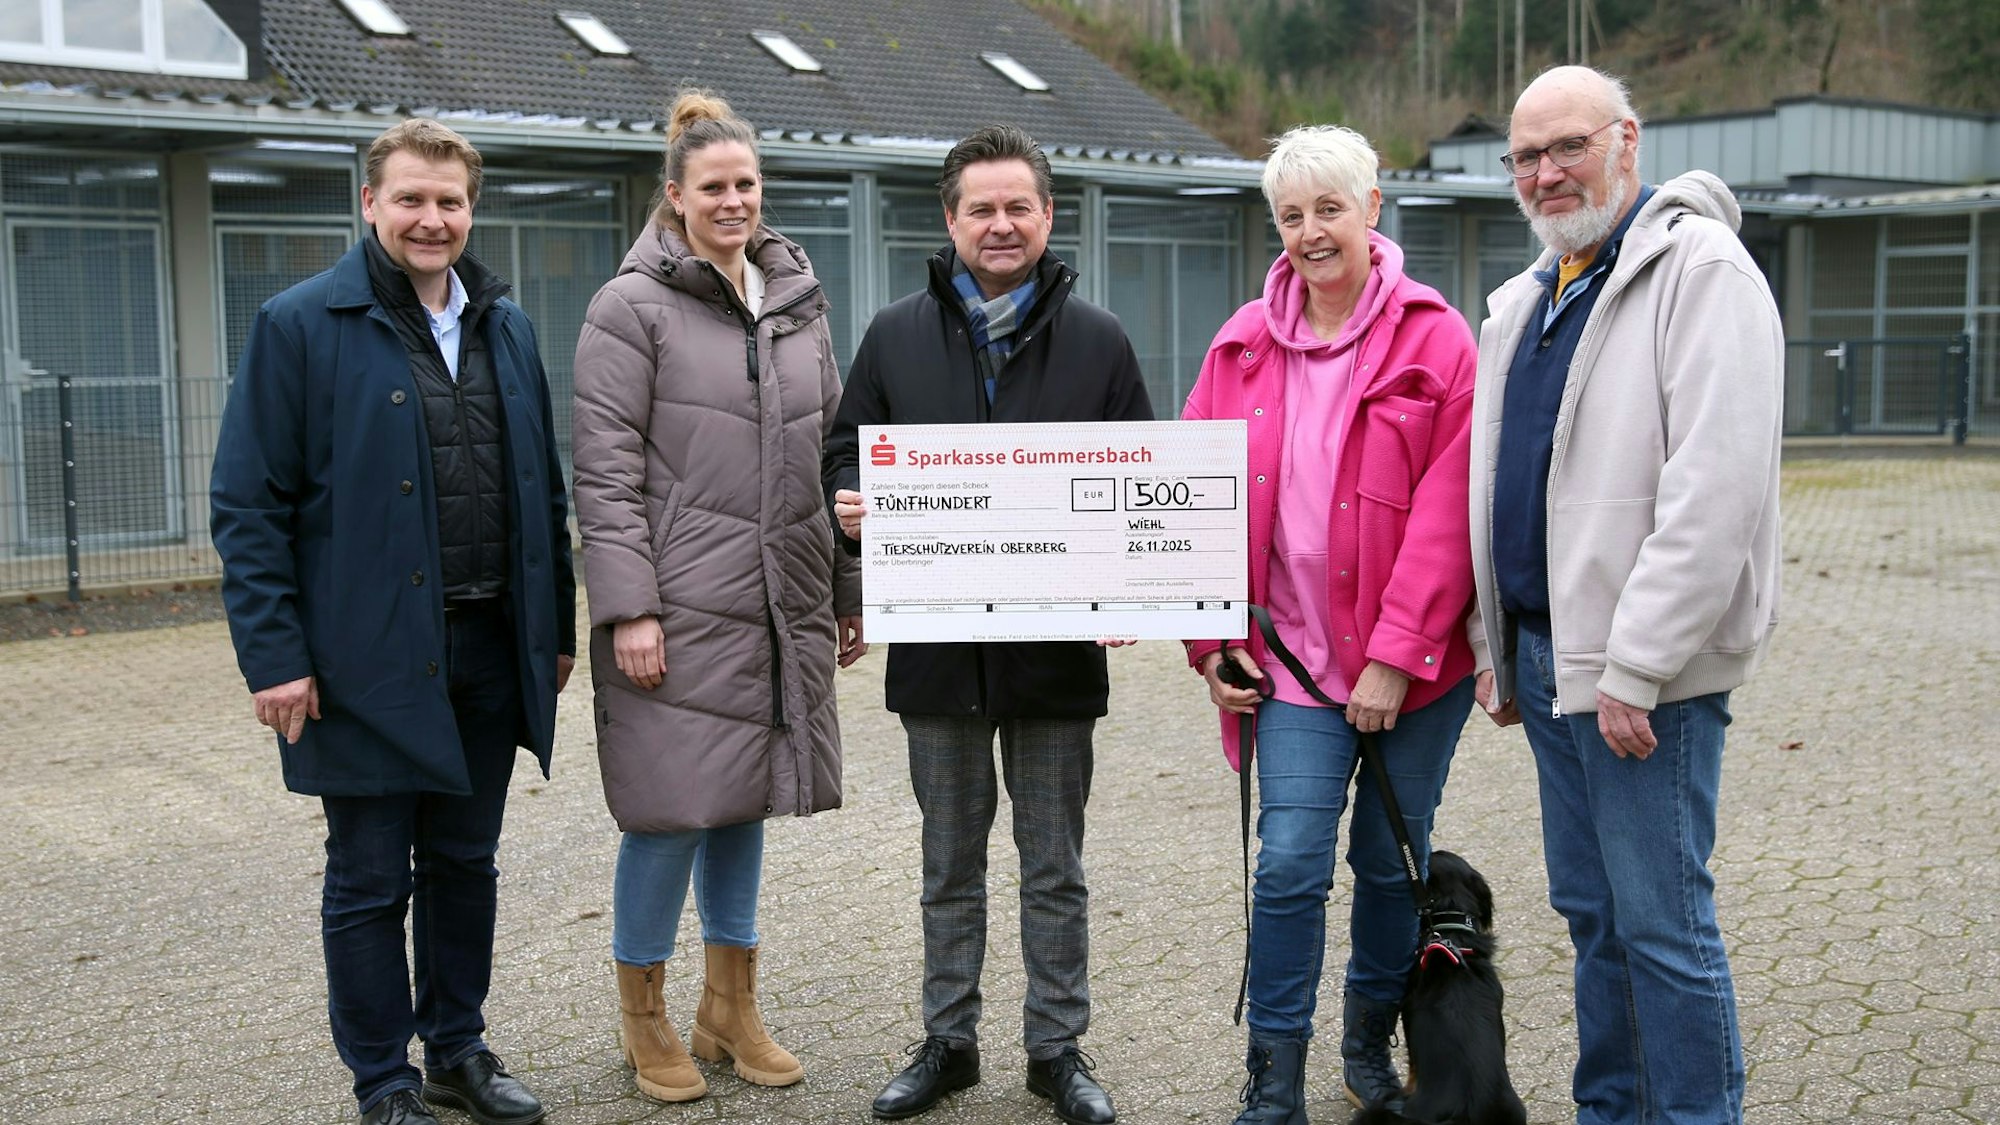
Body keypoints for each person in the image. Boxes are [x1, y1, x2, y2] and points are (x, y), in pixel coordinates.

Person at [210, 118, 575, 1125]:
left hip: (489, 648)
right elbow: (250, 503)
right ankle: (384, 1080)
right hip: (358, 660)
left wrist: (553, 632)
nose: (431, 218)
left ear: (471, 209)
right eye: (411, 198)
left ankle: (457, 1046)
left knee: (465, 862)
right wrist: (274, 656)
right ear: (369, 203)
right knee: (370, 879)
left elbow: (541, 489)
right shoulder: (299, 324)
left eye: (449, 201)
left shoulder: (508, 325)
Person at [1469, 66, 1783, 1125]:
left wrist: (1637, 666)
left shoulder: (1700, 271)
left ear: (1626, 142)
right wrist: (1496, 647)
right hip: (1550, 662)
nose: (1546, 173)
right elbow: (1502, 479)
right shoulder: (1528, 299)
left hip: (1639, 678)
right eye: (1524, 156)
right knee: (1594, 919)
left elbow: (1714, 485)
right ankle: (1611, 1112)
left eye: (1567, 146)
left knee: (1661, 927)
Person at [822, 123, 1150, 1125]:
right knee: (947, 868)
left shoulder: (1098, 341)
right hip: (937, 653)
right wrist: (849, 507)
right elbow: (843, 451)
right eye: (981, 208)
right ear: (950, 219)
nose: (999, 224)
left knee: (1054, 867)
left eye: (1018, 207)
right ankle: (948, 1042)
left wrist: (1134, 582)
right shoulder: (892, 336)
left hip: (1054, 659)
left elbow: (1140, 483)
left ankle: (1058, 1051)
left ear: (1047, 217)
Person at [569, 89, 864, 1107]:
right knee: (667, 813)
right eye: (713, 187)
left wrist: (841, 587)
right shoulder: (629, 307)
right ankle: (643, 1020)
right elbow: (603, 474)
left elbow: (833, 454)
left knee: (746, 800)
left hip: (778, 599)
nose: (732, 201)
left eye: (745, 185)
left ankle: (727, 1009)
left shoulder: (794, 298)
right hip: (679, 604)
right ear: (674, 196)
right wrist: (628, 609)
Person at [1181, 124, 1479, 1122]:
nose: (1310, 232)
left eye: (1328, 210)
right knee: (1289, 864)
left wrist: (1396, 657)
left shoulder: (1436, 339)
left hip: (1410, 676)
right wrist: (1210, 644)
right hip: (1293, 670)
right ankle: (1273, 1078)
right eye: (1291, 215)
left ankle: (1365, 1050)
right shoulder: (1238, 347)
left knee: (1388, 869)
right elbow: (1187, 510)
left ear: (1371, 209)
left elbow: (1449, 513)